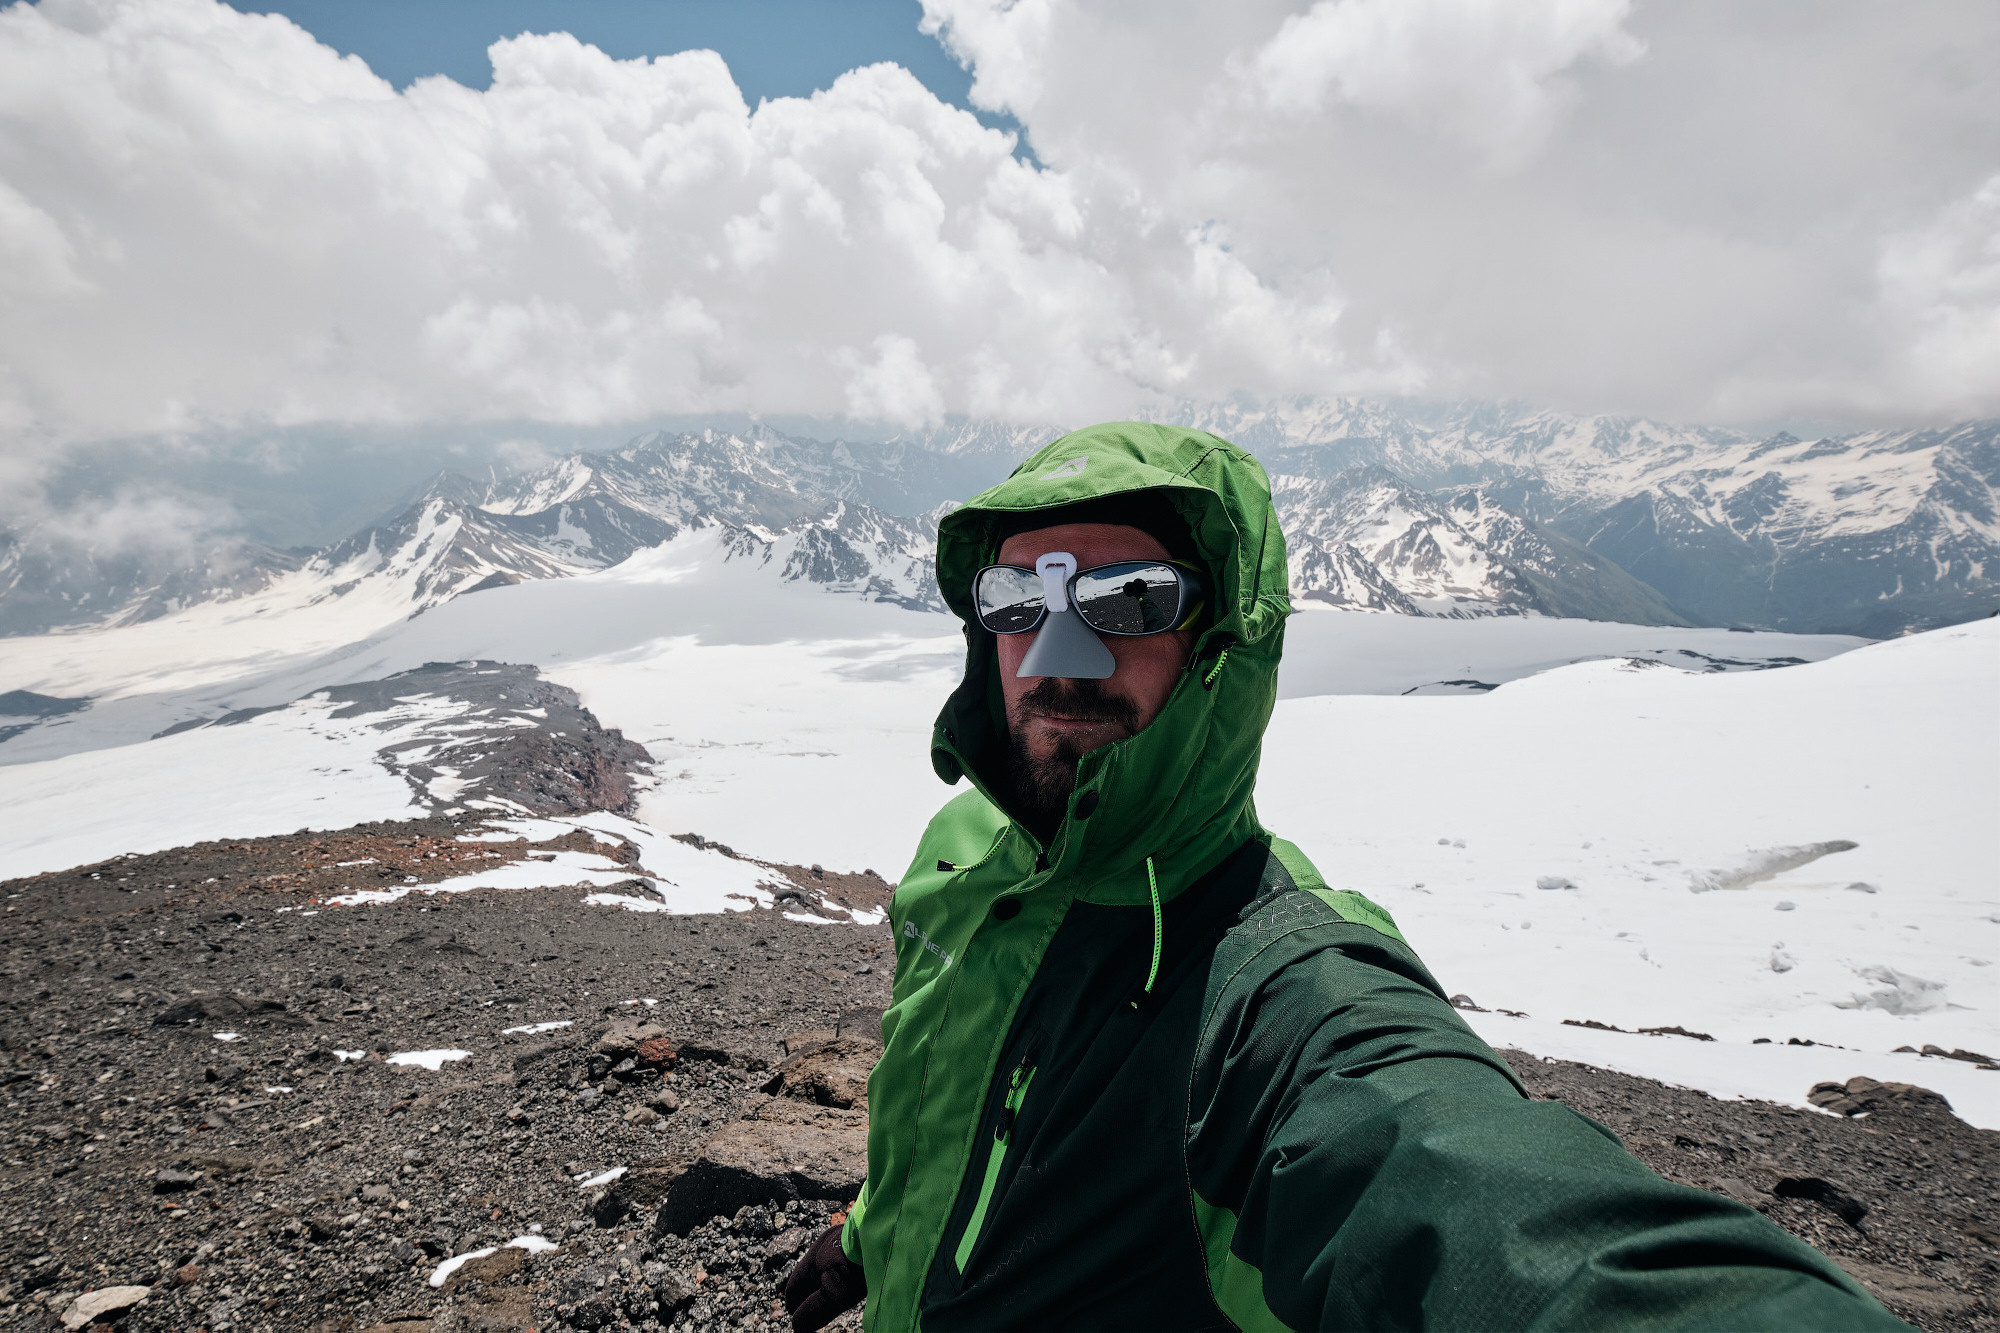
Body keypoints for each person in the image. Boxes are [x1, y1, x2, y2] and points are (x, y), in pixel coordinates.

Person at [782, 422, 1904, 1332]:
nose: (1053, 655)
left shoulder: (1276, 986)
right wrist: (874, 1231)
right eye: (1016, 603)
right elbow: (963, 1088)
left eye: (1128, 603)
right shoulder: (968, 851)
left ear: (1222, 642)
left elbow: (1463, 1195)